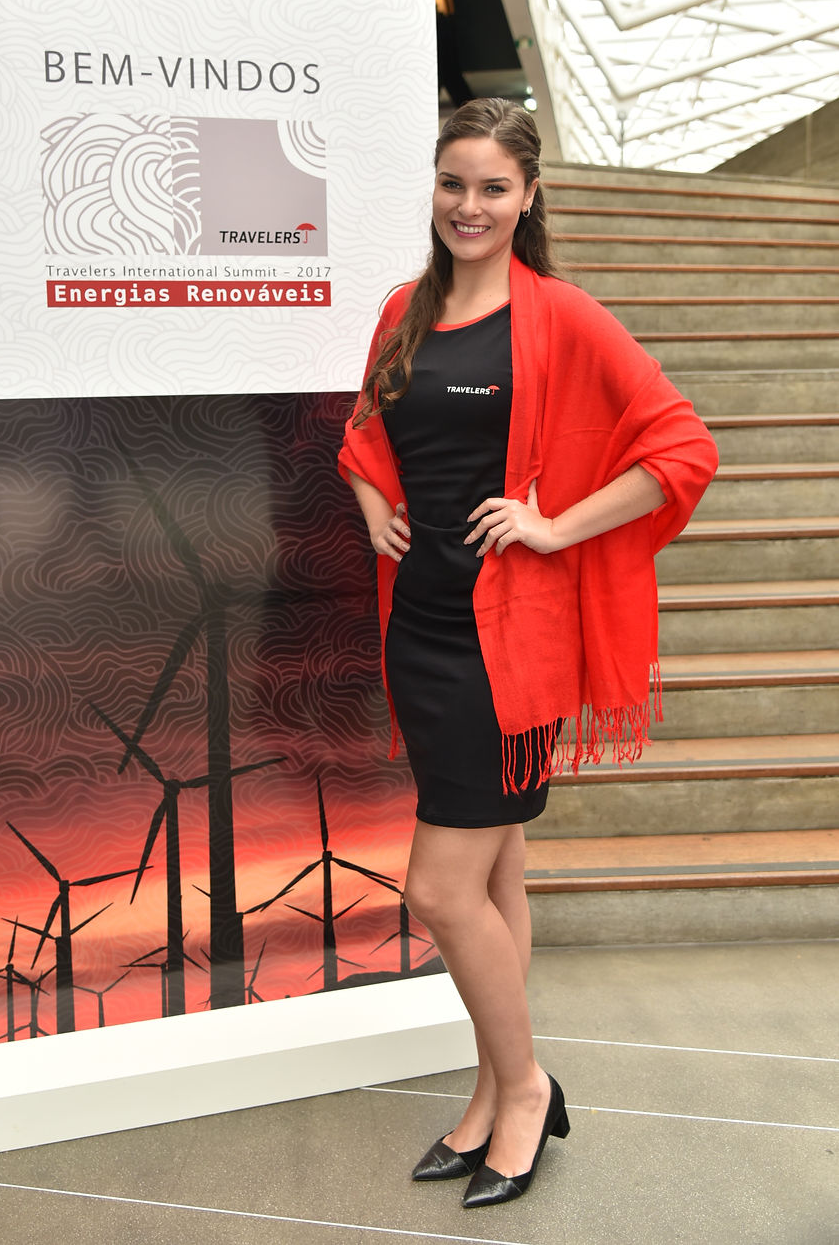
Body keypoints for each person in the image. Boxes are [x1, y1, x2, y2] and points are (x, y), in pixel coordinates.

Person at [337, 98, 718, 1210]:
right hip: (421, 630)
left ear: (528, 197)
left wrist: (555, 527)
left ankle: (524, 1089)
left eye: (493, 188)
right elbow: (365, 434)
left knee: (439, 888)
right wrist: (373, 504)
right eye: (453, 183)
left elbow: (681, 445)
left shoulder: (561, 316)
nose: (469, 205)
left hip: (506, 651)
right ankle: (490, 1091)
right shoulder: (404, 310)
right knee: (494, 876)